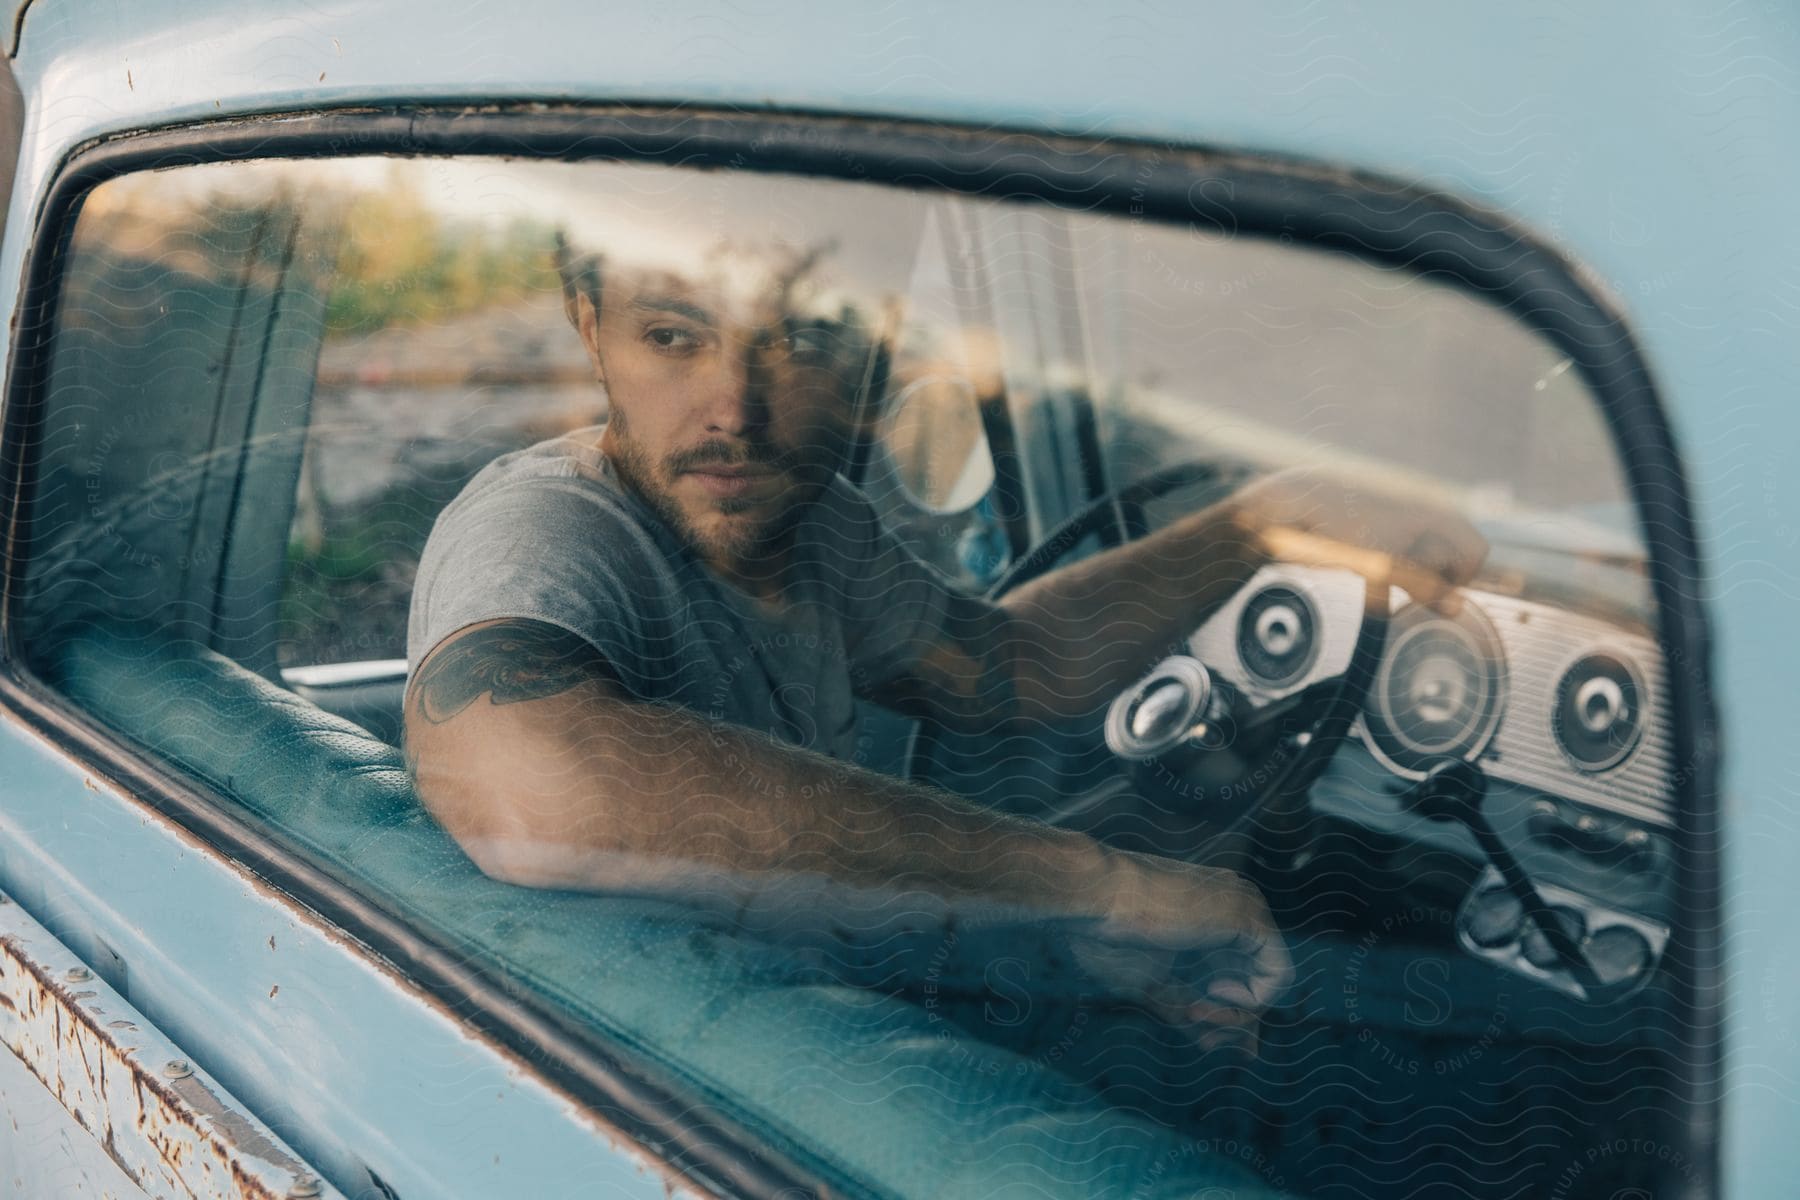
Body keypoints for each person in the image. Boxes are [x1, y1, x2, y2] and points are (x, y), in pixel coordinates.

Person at [401, 229, 1487, 1070]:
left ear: (872, 361)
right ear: (591, 331)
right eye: (672, 337)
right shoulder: (547, 529)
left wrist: (1276, 518)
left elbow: (1010, 667)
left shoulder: (814, 525)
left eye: (801, 342)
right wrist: (1102, 887)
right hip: (635, 1089)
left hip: (793, 1040)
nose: (735, 406)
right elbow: (534, 790)